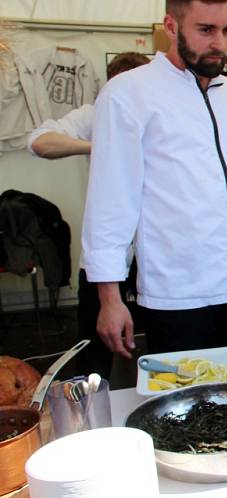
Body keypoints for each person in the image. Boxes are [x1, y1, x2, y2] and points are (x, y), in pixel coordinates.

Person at [82, 0, 227, 358]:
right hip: (177, 297)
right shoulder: (128, 94)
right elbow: (110, 205)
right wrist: (109, 298)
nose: (220, 44)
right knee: (185, 405)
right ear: (171, 26)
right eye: (206, 30)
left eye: (226, 30)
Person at [27, 52, 150, 378]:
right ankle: (92, 413)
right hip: (109, 252)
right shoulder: (94, 115)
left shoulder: (160, 115)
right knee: (95, 347)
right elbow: (40, 142)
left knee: (160, 341)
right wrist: (102, 145)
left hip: (155, 251)